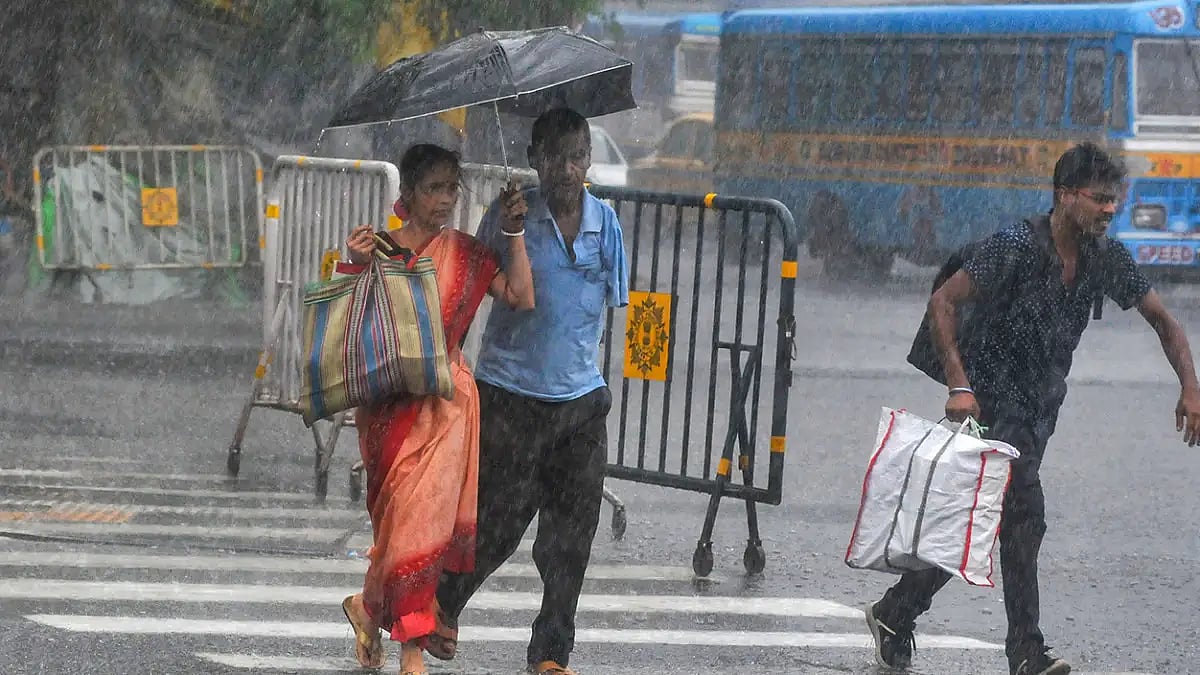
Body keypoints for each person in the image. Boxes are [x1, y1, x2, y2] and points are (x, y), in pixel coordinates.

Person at [865, 142, 1200, 675]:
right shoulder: (1017, 246)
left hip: (1039, 410)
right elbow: (943, 302)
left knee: (985, 521)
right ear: (1065, 196)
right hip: (989, 402)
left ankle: (896, 610)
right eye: (1099, 199)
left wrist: (1190, 385)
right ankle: (1025, 650)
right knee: (1023, 517)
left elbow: (1164, 319)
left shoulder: (1103, 258)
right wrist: (958, 385)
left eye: (1115, 200)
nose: (1110, 210)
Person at [433, 108, 629, 675]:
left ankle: (550, 654)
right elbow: (478, 288)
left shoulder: (606, 224)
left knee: (571, 538)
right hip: (511, 396)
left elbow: (606, 307)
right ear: (534, 160)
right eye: (553, 156)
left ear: (588, 159)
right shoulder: (509, 216)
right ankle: (442, 604)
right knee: (498, 524)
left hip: (580, 405)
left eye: (576, 155)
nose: (565, 169)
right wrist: (512, 229)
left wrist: (588, 382)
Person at [339, 143, 535, 675]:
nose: (446, 199)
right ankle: (366, 606)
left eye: (452, 187)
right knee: (398, 526)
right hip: (388, 410)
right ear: (406, 194)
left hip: (446, 406)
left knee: (421, 525)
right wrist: (354, 267)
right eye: (434, 188)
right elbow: (348, 326)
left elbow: (519, 295)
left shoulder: (468, 255)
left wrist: (514, 233)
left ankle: (410, 650)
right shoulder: (378, 249)